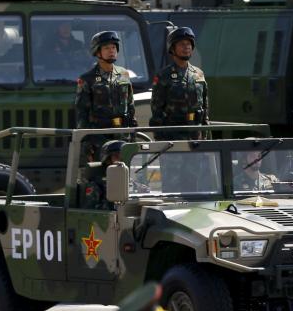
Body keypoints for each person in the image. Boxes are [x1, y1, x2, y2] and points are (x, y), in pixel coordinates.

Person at [75, 31, 136, 160]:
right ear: (98, 52)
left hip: (123, 137)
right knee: (100, 177)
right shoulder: (87, 79)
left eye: (113, 47)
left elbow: (130, 106)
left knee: (125, 176)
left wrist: (134, 134)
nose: (111, 51)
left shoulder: (124, 74)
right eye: (107, 48)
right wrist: (86, 141)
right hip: (99, 140)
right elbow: (82, 113)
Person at [150, 27, 208, 141]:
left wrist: (205, 135)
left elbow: (205, 107)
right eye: (182, 44)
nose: (186, 47)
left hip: (196, 135)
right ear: (173, 49)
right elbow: (157, 110)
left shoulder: (199, 74)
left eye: (188, 44)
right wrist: (161, 140)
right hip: (173, 137)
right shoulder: (163, 76)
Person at [82, 140, 124, 209]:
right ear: (108, 160)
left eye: (122, 156)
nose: (121, 161)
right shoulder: (97, 185)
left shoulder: (130, 181)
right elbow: (90, 212)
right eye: (116, 156)